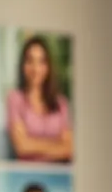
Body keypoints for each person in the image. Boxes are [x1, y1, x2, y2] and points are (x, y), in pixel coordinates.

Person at [5, 35, 73, 163]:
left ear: (48, 67)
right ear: (23, 65)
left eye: (41, 61)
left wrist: (34, 145)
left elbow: (69, 148)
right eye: (30, 61)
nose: (36, 69)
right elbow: (22, 147)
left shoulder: (61, 103)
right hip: (27, 176)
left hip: (59, 174)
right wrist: (56, 145)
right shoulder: (15, 99)